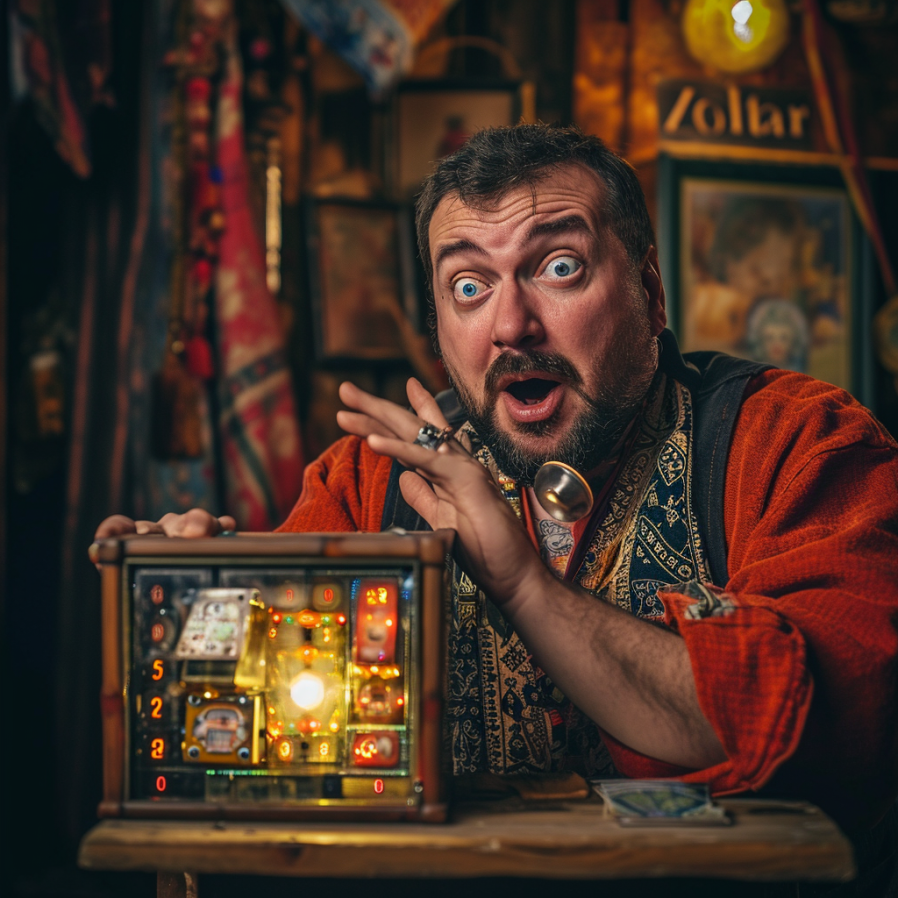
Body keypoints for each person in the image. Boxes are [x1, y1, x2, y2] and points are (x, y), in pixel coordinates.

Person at [95, 124, 898, 879]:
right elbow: (255, 740)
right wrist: (201, 599)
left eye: (559, 268)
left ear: (651, 292)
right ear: (440, 329)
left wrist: (523, 584)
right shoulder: (369, 483)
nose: (512, 325)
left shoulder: (796, 445)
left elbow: (829, 724)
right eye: (470, 285)